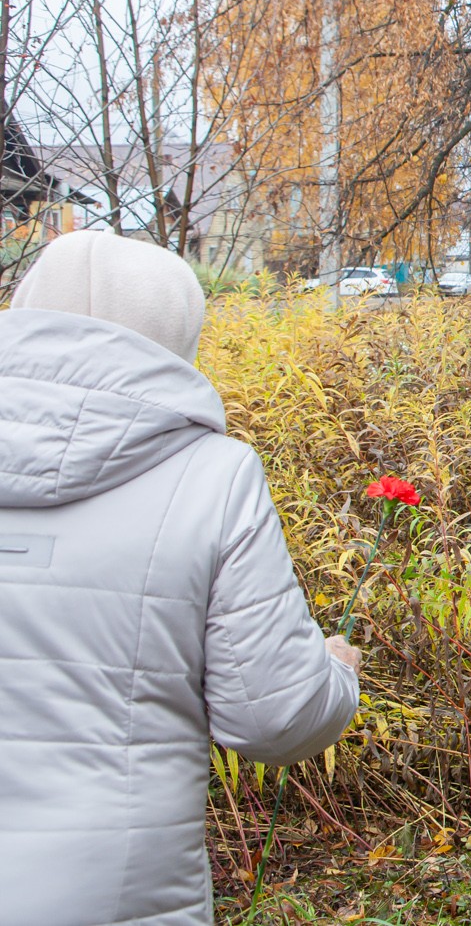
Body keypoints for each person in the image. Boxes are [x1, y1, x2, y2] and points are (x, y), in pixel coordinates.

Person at [0, 232, 361, 926]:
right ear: (178, 337)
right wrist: (334, 670)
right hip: (113, 898)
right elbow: (273, 714)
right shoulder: (212, 476)